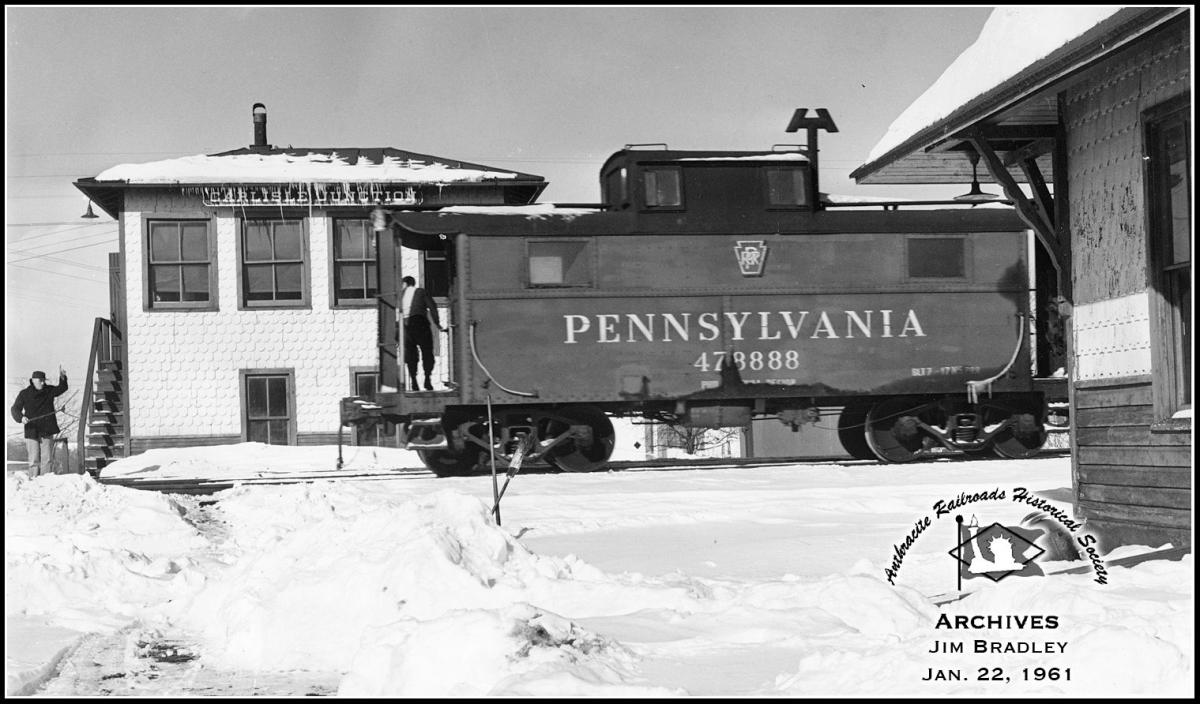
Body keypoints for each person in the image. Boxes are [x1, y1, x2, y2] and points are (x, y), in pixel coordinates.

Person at [11, 368, 69, 477]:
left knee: (47, 459)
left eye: (44, 380)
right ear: (33, 380)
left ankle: (45, 483)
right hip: (31, 429)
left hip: (47, 429)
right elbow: (15, 409)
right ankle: (33, 482)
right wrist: (21, 418)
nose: (43, 383)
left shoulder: (49, 391)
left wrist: (62, 377)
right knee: (33, 460)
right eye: (40, 380)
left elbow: (62, 388)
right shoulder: (24, 393)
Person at [400, 276, 446, 391]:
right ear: (413, 283)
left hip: (405, 325)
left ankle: (414, 381)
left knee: (410, 354)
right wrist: (437, 323)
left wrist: (397, 333)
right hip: (420, 322)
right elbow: (432, 307)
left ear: (404, 283)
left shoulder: (399, 295)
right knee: (427, 351)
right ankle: (427, 379)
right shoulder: (421, 292)